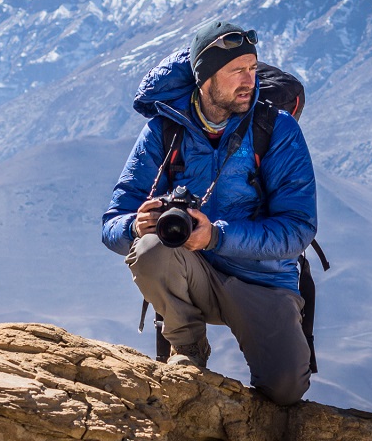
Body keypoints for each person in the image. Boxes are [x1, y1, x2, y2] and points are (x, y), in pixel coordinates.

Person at [101, 20, 318, 405]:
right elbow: (112, 222)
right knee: (151, 250)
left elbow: (298, 228)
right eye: (236, 70)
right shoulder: (165, 131)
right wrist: (135, 225)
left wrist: (216, 235)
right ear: (205, 79)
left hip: (261, 281)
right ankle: (187, 349)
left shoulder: (275, 129)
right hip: (191, 272)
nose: (248, 80)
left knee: (284, 391)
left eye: (252, 68)